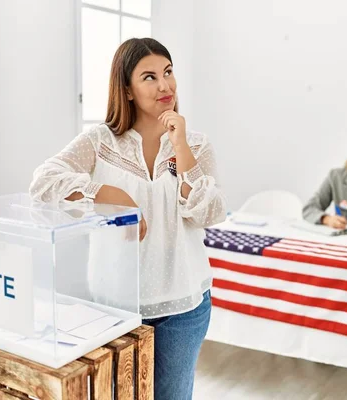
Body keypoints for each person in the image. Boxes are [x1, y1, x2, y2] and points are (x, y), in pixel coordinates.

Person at [29, 38, 227, 399]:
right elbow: (43, 182)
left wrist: (180, 145)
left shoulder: (196, 144)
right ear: (128, 90)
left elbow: (209, 212)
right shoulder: (101, 142)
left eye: (168, 72)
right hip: (115, 305)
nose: (165, 85)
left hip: (184, 304)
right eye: (149, 77)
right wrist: (107, 194)